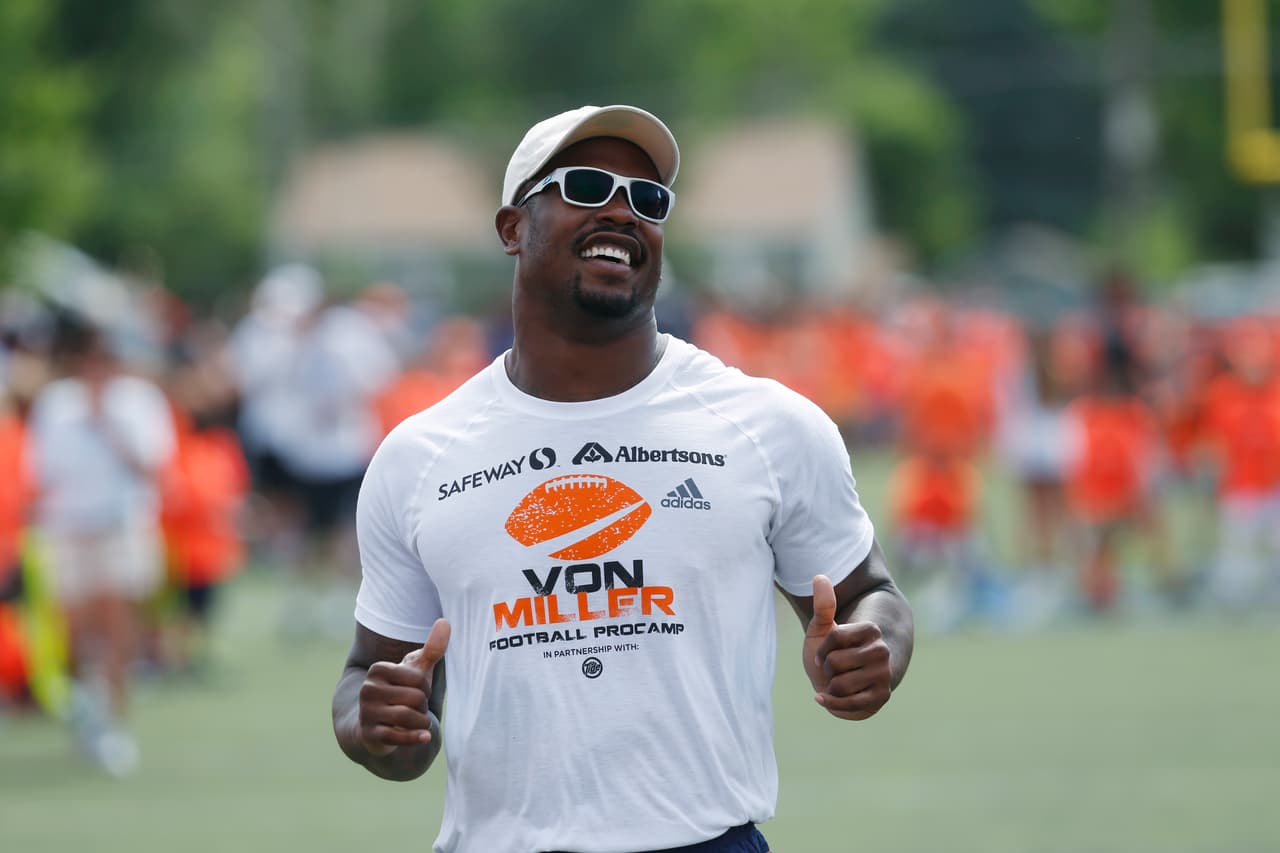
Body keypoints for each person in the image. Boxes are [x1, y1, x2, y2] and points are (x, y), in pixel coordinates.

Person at [331, 104, 914, 853]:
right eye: (584, 185)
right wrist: (377, 725)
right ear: (513, 227)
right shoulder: (420, 455)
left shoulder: (769, 425)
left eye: (649, 199)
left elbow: (871, 593)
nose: (621, 210)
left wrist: (871, 649)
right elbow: (371, 676)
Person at [26, 321, 176, 775]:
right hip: (69, 529)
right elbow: (42, 472)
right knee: (76, 633)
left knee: (116, 629)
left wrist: (107, 424)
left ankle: (115, 723)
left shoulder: (140, 402)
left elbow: (152, 467)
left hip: (120, 527)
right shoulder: (56, 404)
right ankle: (90, 712)